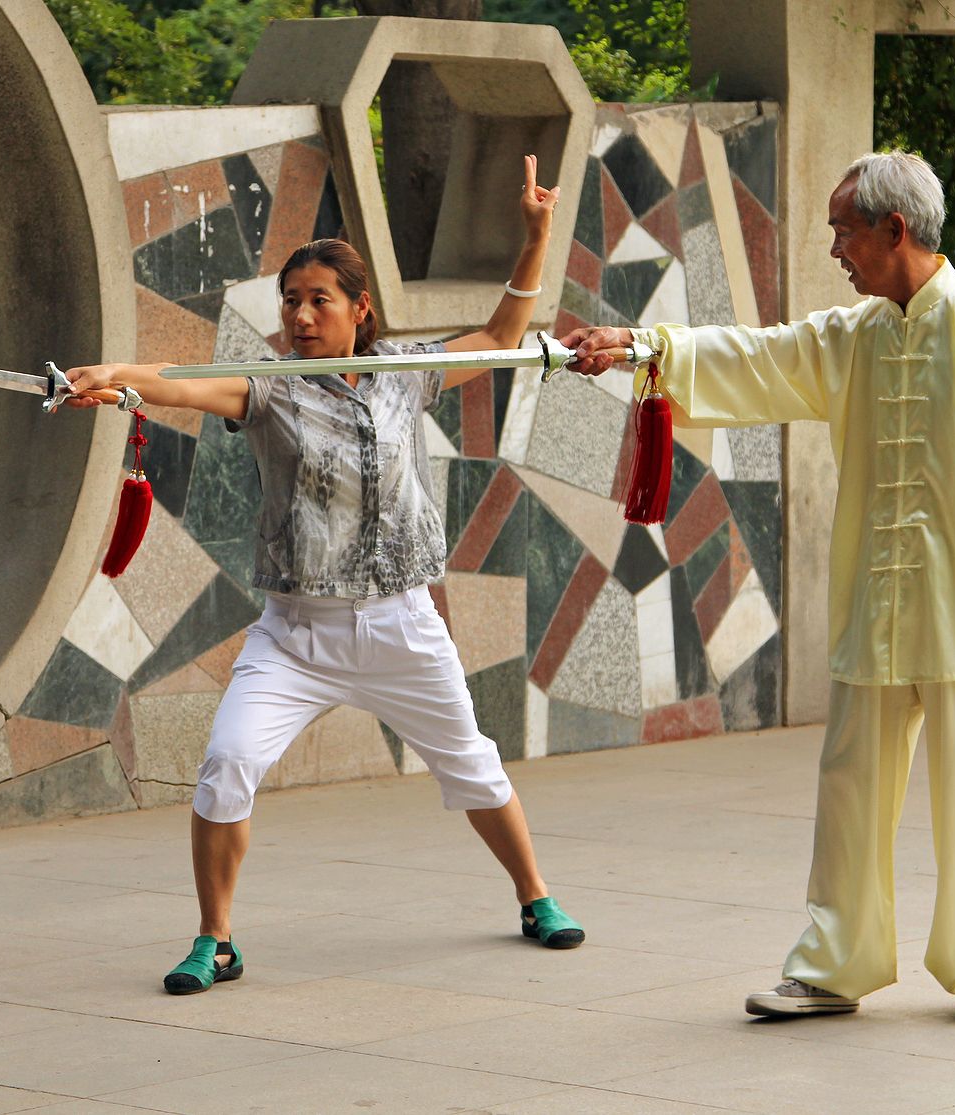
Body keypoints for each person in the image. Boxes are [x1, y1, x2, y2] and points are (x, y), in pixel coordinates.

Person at [563, 151, 955, 1024]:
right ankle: (833, 964)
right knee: (849, 788)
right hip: (874, 609)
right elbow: (755, 357)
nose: (835, 250)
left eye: (844, 231)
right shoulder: (853, 336)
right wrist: (641, 346)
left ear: (896, 229)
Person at [65, 155, 584, 995]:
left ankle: (536, 896)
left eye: (320, 301)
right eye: (292, 302)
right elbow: (181, 383)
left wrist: (535, 235)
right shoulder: (268, 388)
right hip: (296, 634)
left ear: (359, 309)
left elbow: (498, 337)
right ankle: (216, 939)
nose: (302, 317)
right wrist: (116, 377)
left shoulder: (404, 375)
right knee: (227, 763)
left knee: (474, 764)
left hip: (403, 624)